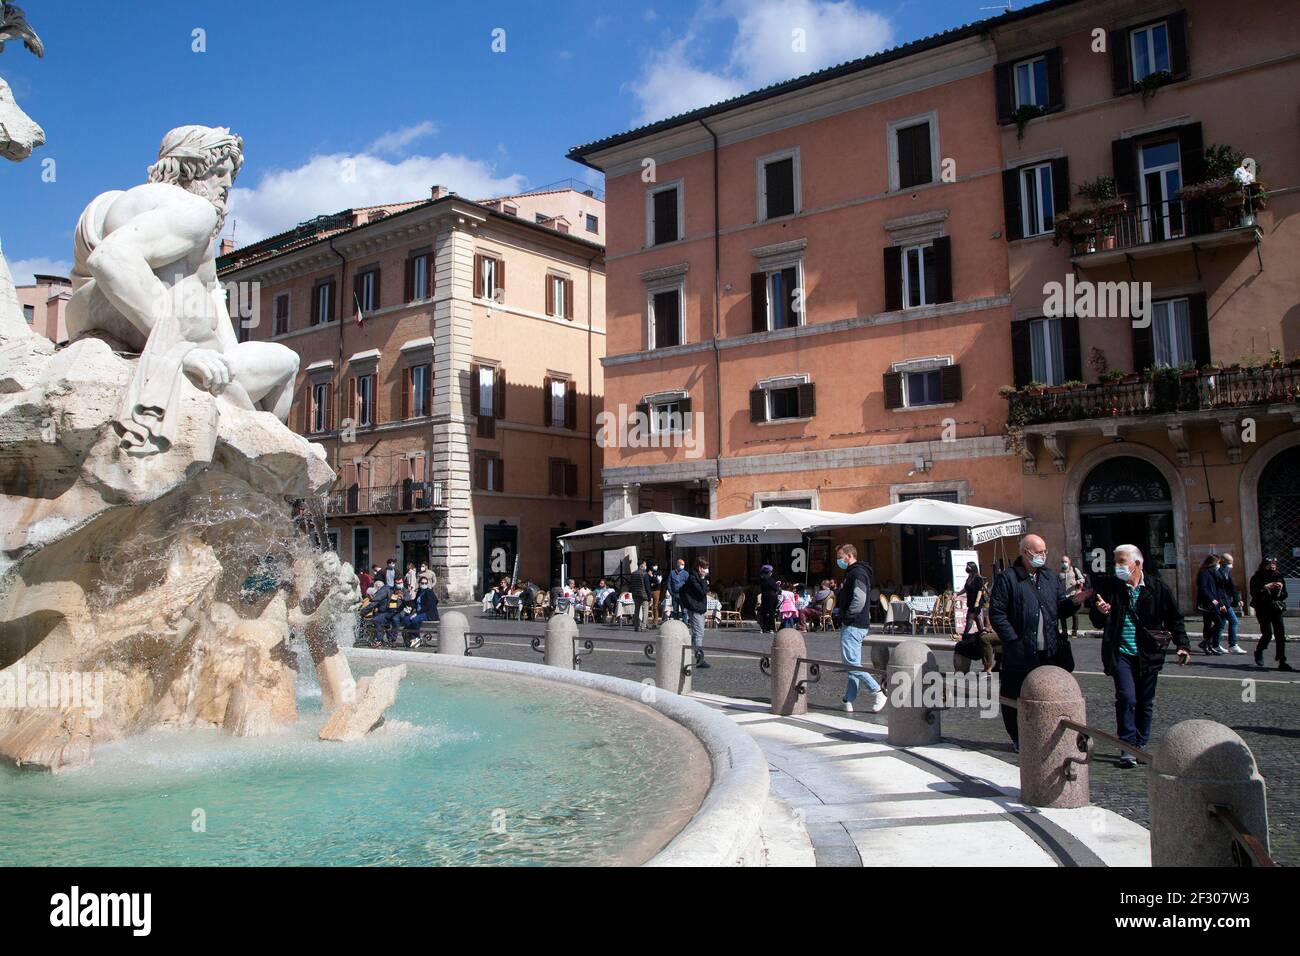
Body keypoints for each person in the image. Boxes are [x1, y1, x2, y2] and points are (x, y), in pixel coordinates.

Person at [1089, 545, 1190, 767]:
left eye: (1122, 561)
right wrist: (1100, 611)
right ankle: (1127, 745)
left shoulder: (1157, 588)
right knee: (1127, 698)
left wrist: (1183, 645)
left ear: (1137, 563)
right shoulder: (1110, 587)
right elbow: (1097, 620)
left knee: (1145, 702)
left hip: (1149, 654)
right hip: (1120, 652)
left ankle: (1141, 743)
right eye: (1115, 562)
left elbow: (1175, 618)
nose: (1118, 566)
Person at [988, 534, 1089, 748]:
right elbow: (997, 613)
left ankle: (1047, 736)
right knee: (1013, 697)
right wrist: (1013, 640)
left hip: (1048, 652)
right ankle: (1018, 739)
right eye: (1040, 552)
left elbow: (1060, 607)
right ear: (1026, 552)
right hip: (1020, 651)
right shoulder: (1008, 579)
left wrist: (1075, 602)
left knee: (1048, 695)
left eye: (1045, 551)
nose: (1044, 555)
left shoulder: (1050, 578)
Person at [833, 544, 886, 714]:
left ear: (849, 555)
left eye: (840, 556)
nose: (838, 560)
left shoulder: (857, 573)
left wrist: (848, 616)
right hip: (857, 623)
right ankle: (848, 699)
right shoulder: (854, 572)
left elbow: (860, 598)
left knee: (851, 663)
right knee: (852, 663)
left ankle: (877, 691)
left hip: (854, 624)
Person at [1249, 557, 1291, 671]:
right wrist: (1265, 588)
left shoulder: (1278, 576)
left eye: (1274, 563)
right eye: (1269, 564)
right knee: (1267, 634)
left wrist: (1280, 589)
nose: (1272, 566)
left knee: (1280, 635)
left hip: (1276, 609)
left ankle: (1282, 660)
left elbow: (1285, 594)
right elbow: (1254, 593)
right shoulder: (1256, 577)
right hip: (1262, 609)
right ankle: (1259, 651)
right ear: (1263, 565)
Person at [679, 557, 711, 668]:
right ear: (699, 567)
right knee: (698, 634)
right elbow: (703, 592)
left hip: (699, 608)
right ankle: (699, 659)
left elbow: (706, 590)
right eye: (705, 567)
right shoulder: (693, 578)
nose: (706, 570)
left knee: (697, 634)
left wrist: (703, 580)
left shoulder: (696, 577)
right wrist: (703, 579)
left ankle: (688, 653)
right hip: (695, 608)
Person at [1195, 554, 1228, 655]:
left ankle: (1206, 644)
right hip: (1208, 603)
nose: (1219, 565)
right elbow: (1203, 588)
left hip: (1215, 603)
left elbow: (1218, 589)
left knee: (1213, 623)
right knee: (1218, 623)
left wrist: (1221, 603)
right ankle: (1206, 644)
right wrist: (1211, 599)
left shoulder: (1214, 573)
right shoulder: (1204, 573)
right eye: (1218, 563)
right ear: (1213, 563)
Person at [1217, 553, 1246, 654]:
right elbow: (1218, 591)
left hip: (1226, 601)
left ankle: (1212, 643)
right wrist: (1221, 604)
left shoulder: (1226, 572)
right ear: (1223, 562)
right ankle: (1233, 644)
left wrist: (1238, 599)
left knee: (1221, 623)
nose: (1231, 565)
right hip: (1223, 602)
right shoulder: (1219, 572)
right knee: (1234, 621)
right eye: (1230, 562)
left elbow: (1232, 587)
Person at [401, 575, 440, 647]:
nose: (424, 585)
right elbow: (415, 602)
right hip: (419, 612)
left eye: (426, 583)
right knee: (406, 619)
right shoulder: (419, 591)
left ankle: (417, 638)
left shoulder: (429, 592)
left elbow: (429, 605)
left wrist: (417, 613)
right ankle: (412, 638)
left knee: (415, 620)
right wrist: (406, 602)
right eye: (422, 583)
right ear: (419, 583)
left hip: (428, 613)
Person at [1058, 555, 1086, 638]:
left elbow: (1083, 579)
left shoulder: (1074, 570)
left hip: (1073, 595)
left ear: (1069, 562)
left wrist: (1076, 582)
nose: (1064, 563)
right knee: (1062, 615)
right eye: (1062, 562)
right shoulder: (1059, 572)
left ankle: (1074, 631)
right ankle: (1064, 631)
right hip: (1063, 597)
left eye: (1065, 561)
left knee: (1075, 613)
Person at [960, 562, 985, 638]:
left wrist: (977, 602)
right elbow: (965, 589)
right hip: (970, 601)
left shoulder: (978, 578)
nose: (967, 568)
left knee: (969, 617)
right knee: (977, 618)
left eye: (969, 567)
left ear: (973, 568)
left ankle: (965, 634)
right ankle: (982, 634)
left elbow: (979, 591)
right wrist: (958, 594)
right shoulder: (969, 578)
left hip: (976, 602)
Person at [628, 559, 651, 632]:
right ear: (642, 565)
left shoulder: (633, 573)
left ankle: (636, 626)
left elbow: (631, 585)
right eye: (645, 564)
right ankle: (643, 626)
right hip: (644, 595)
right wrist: (650, 597)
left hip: (635, 594)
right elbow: (647, 587)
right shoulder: (645, 574)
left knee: (636, 610)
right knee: (645, 610)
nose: (645, 566)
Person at [757, 565, 780, 634]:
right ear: (769, 572)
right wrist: (777, 585)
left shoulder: (761, 579)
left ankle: (763, 628)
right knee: (771, 613)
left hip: (764, 596)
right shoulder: (770, 579)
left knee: (764, 612)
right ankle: (771, 628)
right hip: (771, 597)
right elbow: (776, 588)